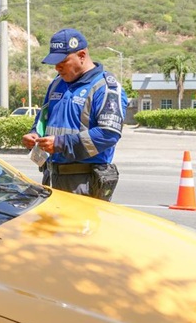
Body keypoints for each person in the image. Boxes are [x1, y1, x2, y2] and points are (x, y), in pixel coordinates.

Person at [21, 28, 128, 201]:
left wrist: (61, 143)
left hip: (84, 182)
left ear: (82, 55)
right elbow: (44, 117)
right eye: (55, 62)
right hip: (52, 176)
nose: (57, 67)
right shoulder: (57, 83)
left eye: (63, 61)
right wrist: (35, 134)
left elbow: (108, 134)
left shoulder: (105, 87)